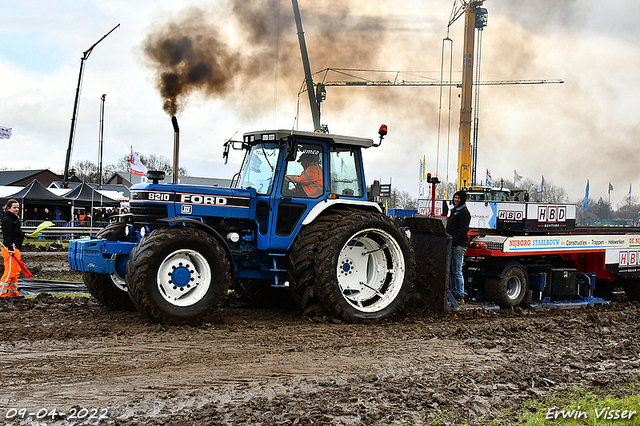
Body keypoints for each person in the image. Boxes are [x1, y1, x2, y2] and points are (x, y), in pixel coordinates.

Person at [446, 190, 471, 301]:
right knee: (451, 270)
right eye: (455, 197)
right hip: (452, 243)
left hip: (458, 245)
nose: (456, 200)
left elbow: (462, 231)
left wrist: (454, 243)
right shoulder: (455, 211)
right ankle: (453, 292)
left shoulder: (464, 213)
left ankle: (460, 294)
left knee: (456, 270)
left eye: (458, 198)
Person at [1, 199, 28, 298]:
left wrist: (24, 235)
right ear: (8, 208)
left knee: (15, 272)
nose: (17, 209)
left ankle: (13, 293)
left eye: (17, 207)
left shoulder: (14, 219)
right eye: (14, 207)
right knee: (9, 272)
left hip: (15, 248)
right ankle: (2, 294)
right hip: (10, 248)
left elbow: (15, 232)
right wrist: (10, 248)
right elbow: (7, 234)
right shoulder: (8, 220)